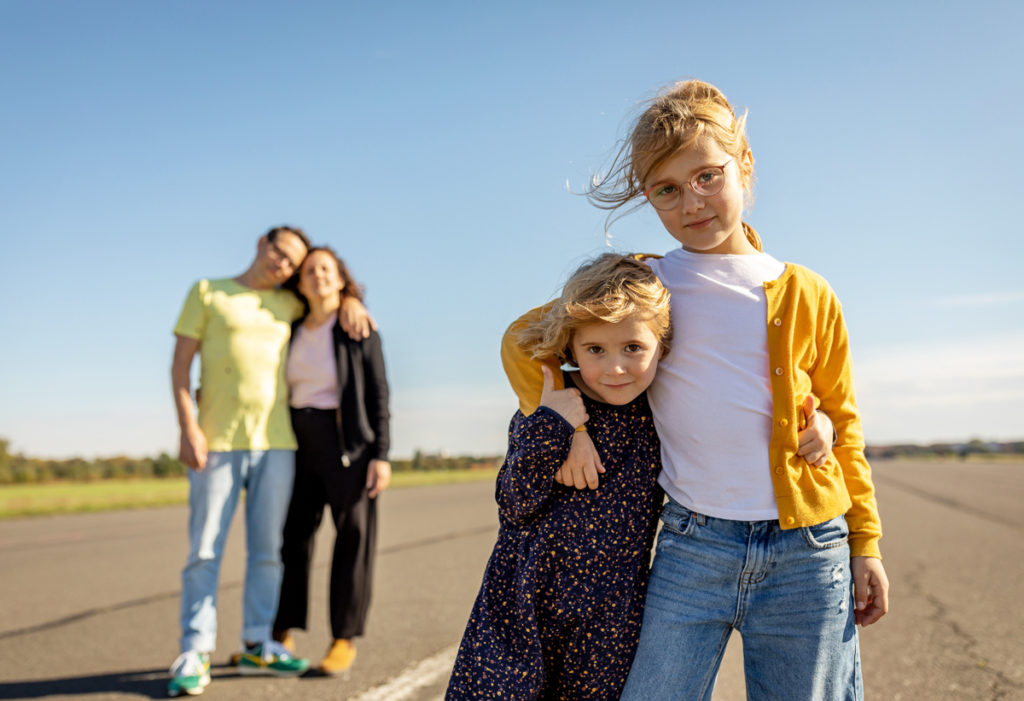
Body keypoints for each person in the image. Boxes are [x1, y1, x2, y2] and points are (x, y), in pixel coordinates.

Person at [502, 81, 888, 700]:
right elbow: (524, 340)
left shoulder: (809, 293)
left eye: (708, 176)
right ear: (649, 198)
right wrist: (565, 422)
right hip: (692, 546)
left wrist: (865, 542)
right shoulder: (644, 285)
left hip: (809, 552)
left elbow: (845, 417)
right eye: (667, 190)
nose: (692, 202)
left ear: (746, 164)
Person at [447, 254, 671, 699]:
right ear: (570, 348)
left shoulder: (661, 417)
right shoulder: (551, 403)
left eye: (633, 348)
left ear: (662, 345)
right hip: (522, 603)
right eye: (595, 350)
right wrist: (555, 425)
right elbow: (514, 502)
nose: (616, 368)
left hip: (609, 619)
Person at [168, 226, 316, 696]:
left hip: (277, 445)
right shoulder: (209, 292)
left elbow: (330, 305)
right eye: (279, 252)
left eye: (292, 262)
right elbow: (179, 368)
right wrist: (188, 428)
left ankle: (257, 641)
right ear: (260, 244)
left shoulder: (292, 306)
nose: (283, 264)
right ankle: (194, 650)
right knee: (205, 550)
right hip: (216, 443)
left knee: (267, 551)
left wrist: (353, 302)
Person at [272, 246, 392, 676]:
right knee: (293, 541)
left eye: (326, 269)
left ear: (340, 278)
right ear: (300, 282)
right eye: (309, 271)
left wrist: (381, 455)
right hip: (295, 442)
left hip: (350, 447)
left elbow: (379, 392)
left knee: (353, 540)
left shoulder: (356, 326)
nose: (317, 276)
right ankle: (280, 631)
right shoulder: (288, 328)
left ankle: (343, 638)